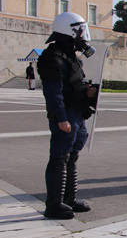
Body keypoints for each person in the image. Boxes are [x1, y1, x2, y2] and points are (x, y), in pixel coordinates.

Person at [36, 12, 98, 219]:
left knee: (72, 157)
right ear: (68, 31)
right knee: (59, 157)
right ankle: (53, 204)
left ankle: (69, 199)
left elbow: (74, 86)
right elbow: (53, 93)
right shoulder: (51, 58)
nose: (83, 35)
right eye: (79, 30)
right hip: (65, 115)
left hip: (77, 114)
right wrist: (61, 118)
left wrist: (87, 93)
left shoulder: (70, 57)